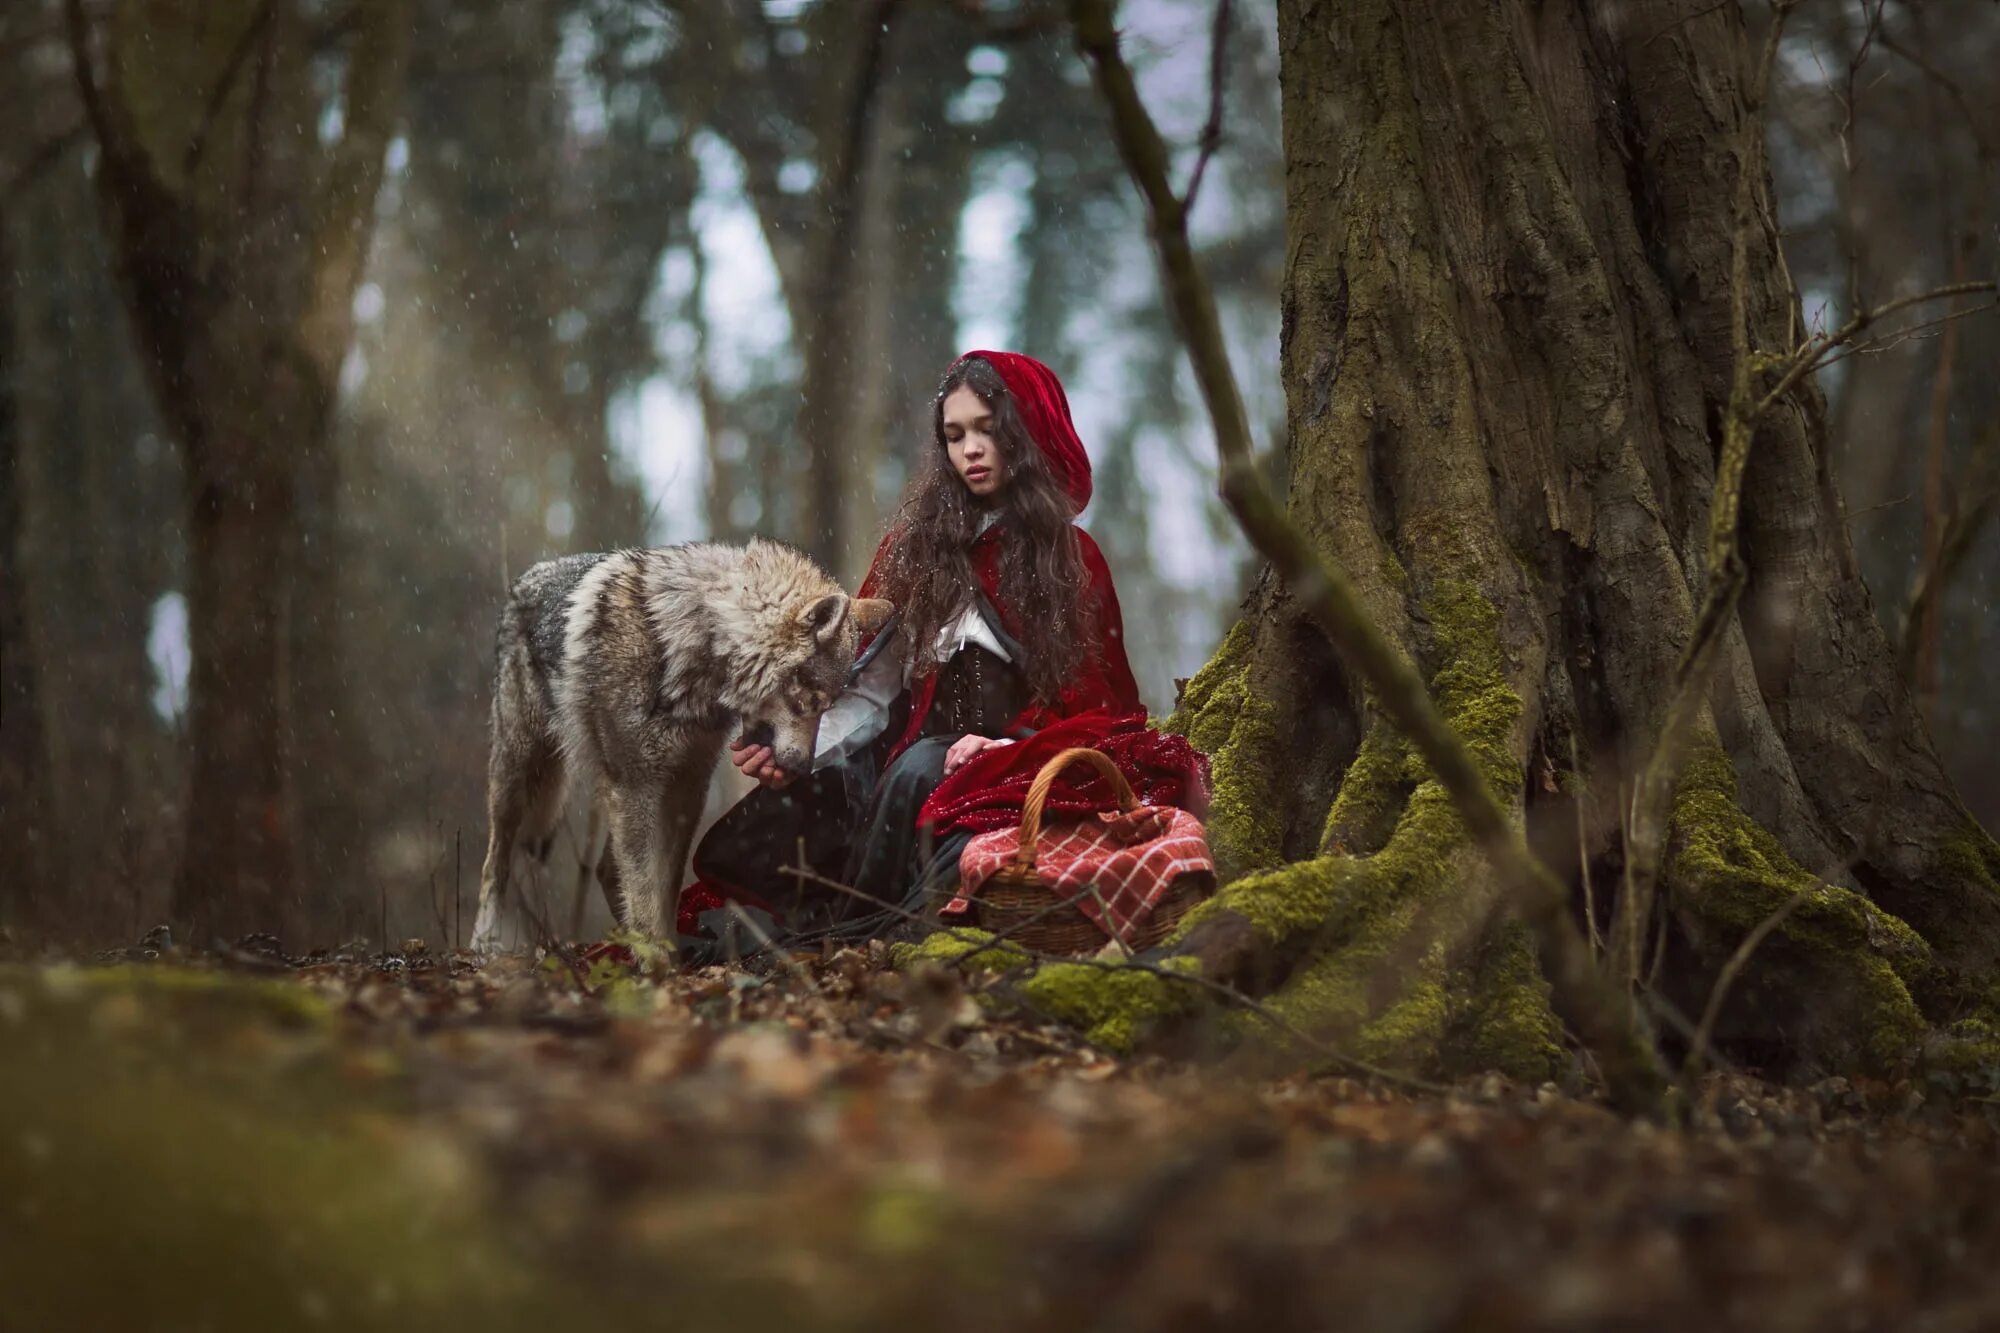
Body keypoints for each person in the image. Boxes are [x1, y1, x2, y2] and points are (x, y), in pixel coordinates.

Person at [680, 350, 1149, 946]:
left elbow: (1096, 706)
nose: (970, 450)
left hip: (1014, 768)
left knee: (922, 769)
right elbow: (871, 684)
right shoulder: (919, 552)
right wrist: (795, 748)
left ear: (1025, 434)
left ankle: (855, 936)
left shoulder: (1072, 560)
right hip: (908, 761)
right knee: (801, 817)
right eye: (954, 436)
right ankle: (837, 929)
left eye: (987, 429)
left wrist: (1006, 745)